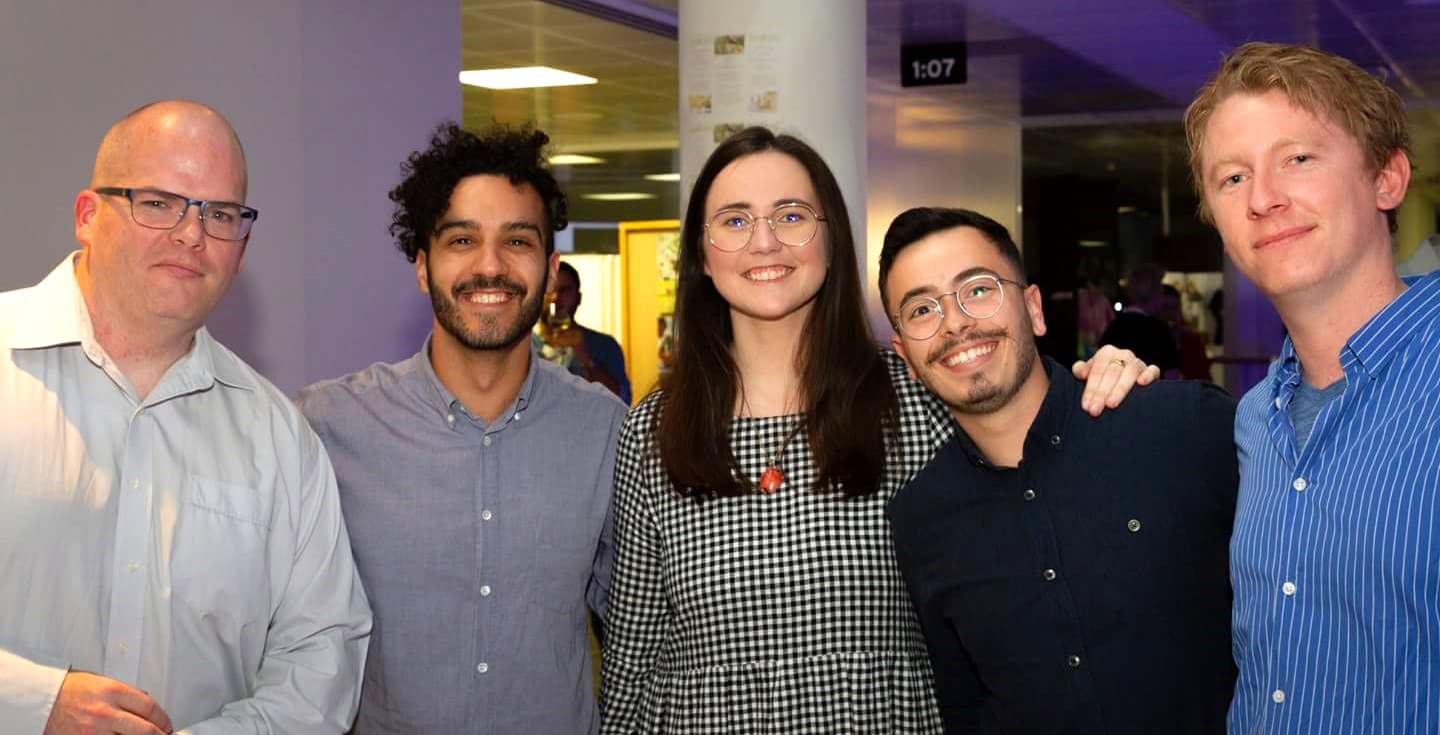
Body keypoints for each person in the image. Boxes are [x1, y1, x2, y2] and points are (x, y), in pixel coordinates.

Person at [598, 127, 1154, 733]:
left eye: (791, 215)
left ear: (833, 241)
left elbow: (1037, 456)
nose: (764, 242)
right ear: (701, 256)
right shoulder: (656, 427)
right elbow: (633, 655)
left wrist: (1107, 379)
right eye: (734, 221)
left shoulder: (914, 394)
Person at [0, 100, 371, 733]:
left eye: (220, 214)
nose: (192, 235)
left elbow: (320, 663)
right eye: (159, 201)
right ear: (88, 216)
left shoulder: (280, 437)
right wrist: (33, 706)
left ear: (243, 248)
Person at [297, 122, 627, 734]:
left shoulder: (607, 432)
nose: (491, 266)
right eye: (461, 240)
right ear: (422, 267)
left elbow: (640, 634)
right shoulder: (325, 427)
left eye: (518, 242)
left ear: (552, 270)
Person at [880, 207, 1239, 733]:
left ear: (1034, 309)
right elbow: (964, 706)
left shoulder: (1182, 427)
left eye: (977, 290)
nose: (955, 323)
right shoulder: (919, 518)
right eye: (921, 310)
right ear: (906, 357)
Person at [1185, 42, 1440, 732]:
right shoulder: (1255, 420)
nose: (1264, 198)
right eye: (1232, 178)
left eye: (1298, 158)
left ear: (1387, 180)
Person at [542, 260, 632, 404]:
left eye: (564, 290)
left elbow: (621, 400)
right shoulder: (523, 347)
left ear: (578, 298)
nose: (556, 298)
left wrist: (586, 359)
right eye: (549, 290)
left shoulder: (604, 345)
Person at [1099, 263, 1181, 377]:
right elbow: (1172, 378)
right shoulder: (1160, 331)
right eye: (1161, 289)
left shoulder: (1112, 328)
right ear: (1156, 293)